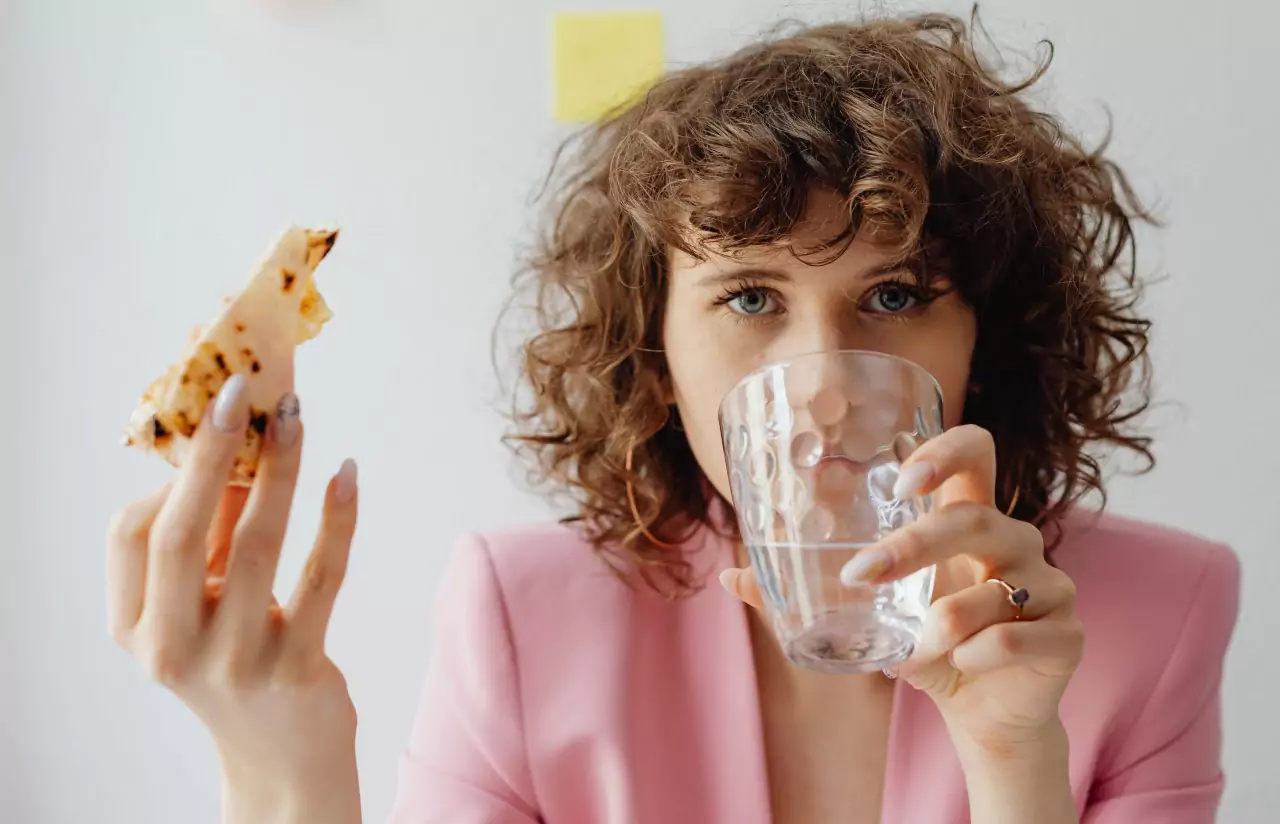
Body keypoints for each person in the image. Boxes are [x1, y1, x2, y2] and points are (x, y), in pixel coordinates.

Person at [105, 11, 1241, 824]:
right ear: (653, 348)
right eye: (748, 297)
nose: (829, 382)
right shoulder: (522, 617)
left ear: (988, 335)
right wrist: (286, 769)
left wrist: (1010, 760)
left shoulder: (1156, 615)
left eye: (892, 294)